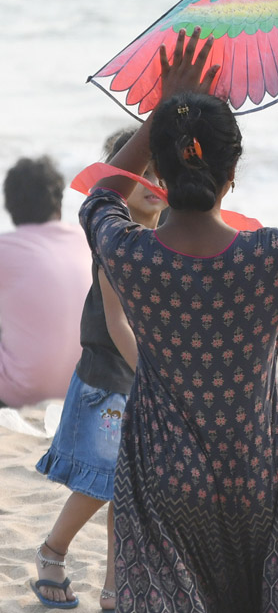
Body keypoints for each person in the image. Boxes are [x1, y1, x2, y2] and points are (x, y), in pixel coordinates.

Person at [79, 28, 278, 611]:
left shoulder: (132, 255)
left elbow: (98, 197)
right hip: (258, 471)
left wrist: (162, 116)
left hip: (161, 475)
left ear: (162, 176)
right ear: (232, 177)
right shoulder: (270, 258)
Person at [31, 129, 165, 610]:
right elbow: (117, 320)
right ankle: (53, 549)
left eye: (161, 172)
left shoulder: (166, 237)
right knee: (101, 481)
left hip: (144, 374)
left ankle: (114, 588)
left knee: (127, 491)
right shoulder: (116, 236)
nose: (154, 182)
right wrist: (159, 377)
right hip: (110, 372)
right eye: (143, 173)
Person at [0, 157, 93, 409]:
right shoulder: (88, 240)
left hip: (20, 393)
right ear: (59, 204)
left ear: (10, 206)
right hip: (86, 385)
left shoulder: (5, 249)